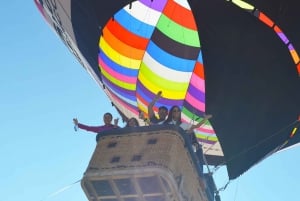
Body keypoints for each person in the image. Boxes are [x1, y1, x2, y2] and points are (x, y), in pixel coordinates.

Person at [164, 105, 212, 174]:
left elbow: (196, 126)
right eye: (174, 111)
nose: (176, 112)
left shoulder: (184, 125)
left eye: (178, 111)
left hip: (180, 148)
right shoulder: (167, 124)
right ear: (172, 113)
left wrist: (205, 119)